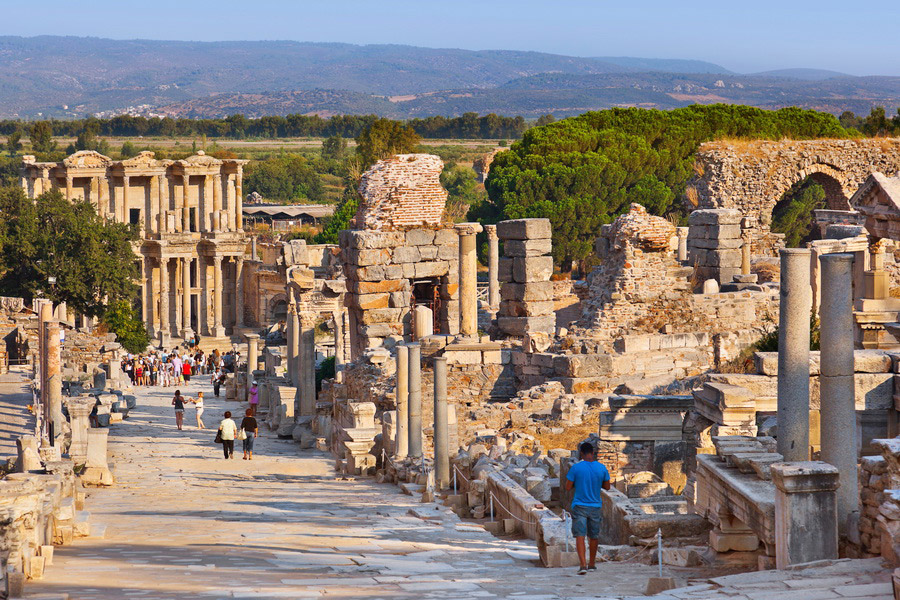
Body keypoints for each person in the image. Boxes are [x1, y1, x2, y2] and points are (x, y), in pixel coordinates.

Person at [565, 441, 611, 575]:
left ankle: (583, 565)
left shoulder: (576, 468)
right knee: (594, 536)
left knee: (580, 535)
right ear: (593, 453)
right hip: (596, 505)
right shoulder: (602, 468)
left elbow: (568, 487)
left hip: (579, 505)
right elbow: (607, 487)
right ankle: (592, 563)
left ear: (581, 453)